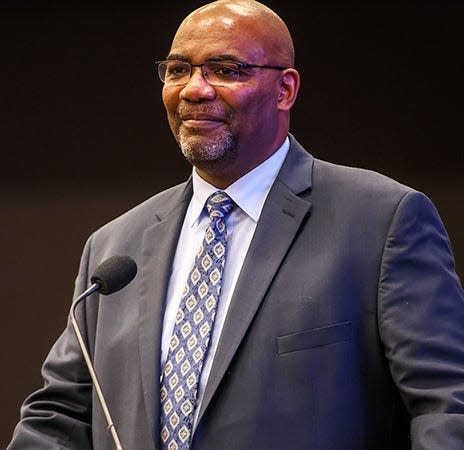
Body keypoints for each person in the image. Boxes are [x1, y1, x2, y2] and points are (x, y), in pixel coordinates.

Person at [7, 0, 464, 449]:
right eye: (178, 70)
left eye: (225, 70)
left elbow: (447, 406)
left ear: (285, 90)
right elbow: (61, 417)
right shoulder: (113, 248)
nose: (194, 89)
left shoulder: (382, 221)